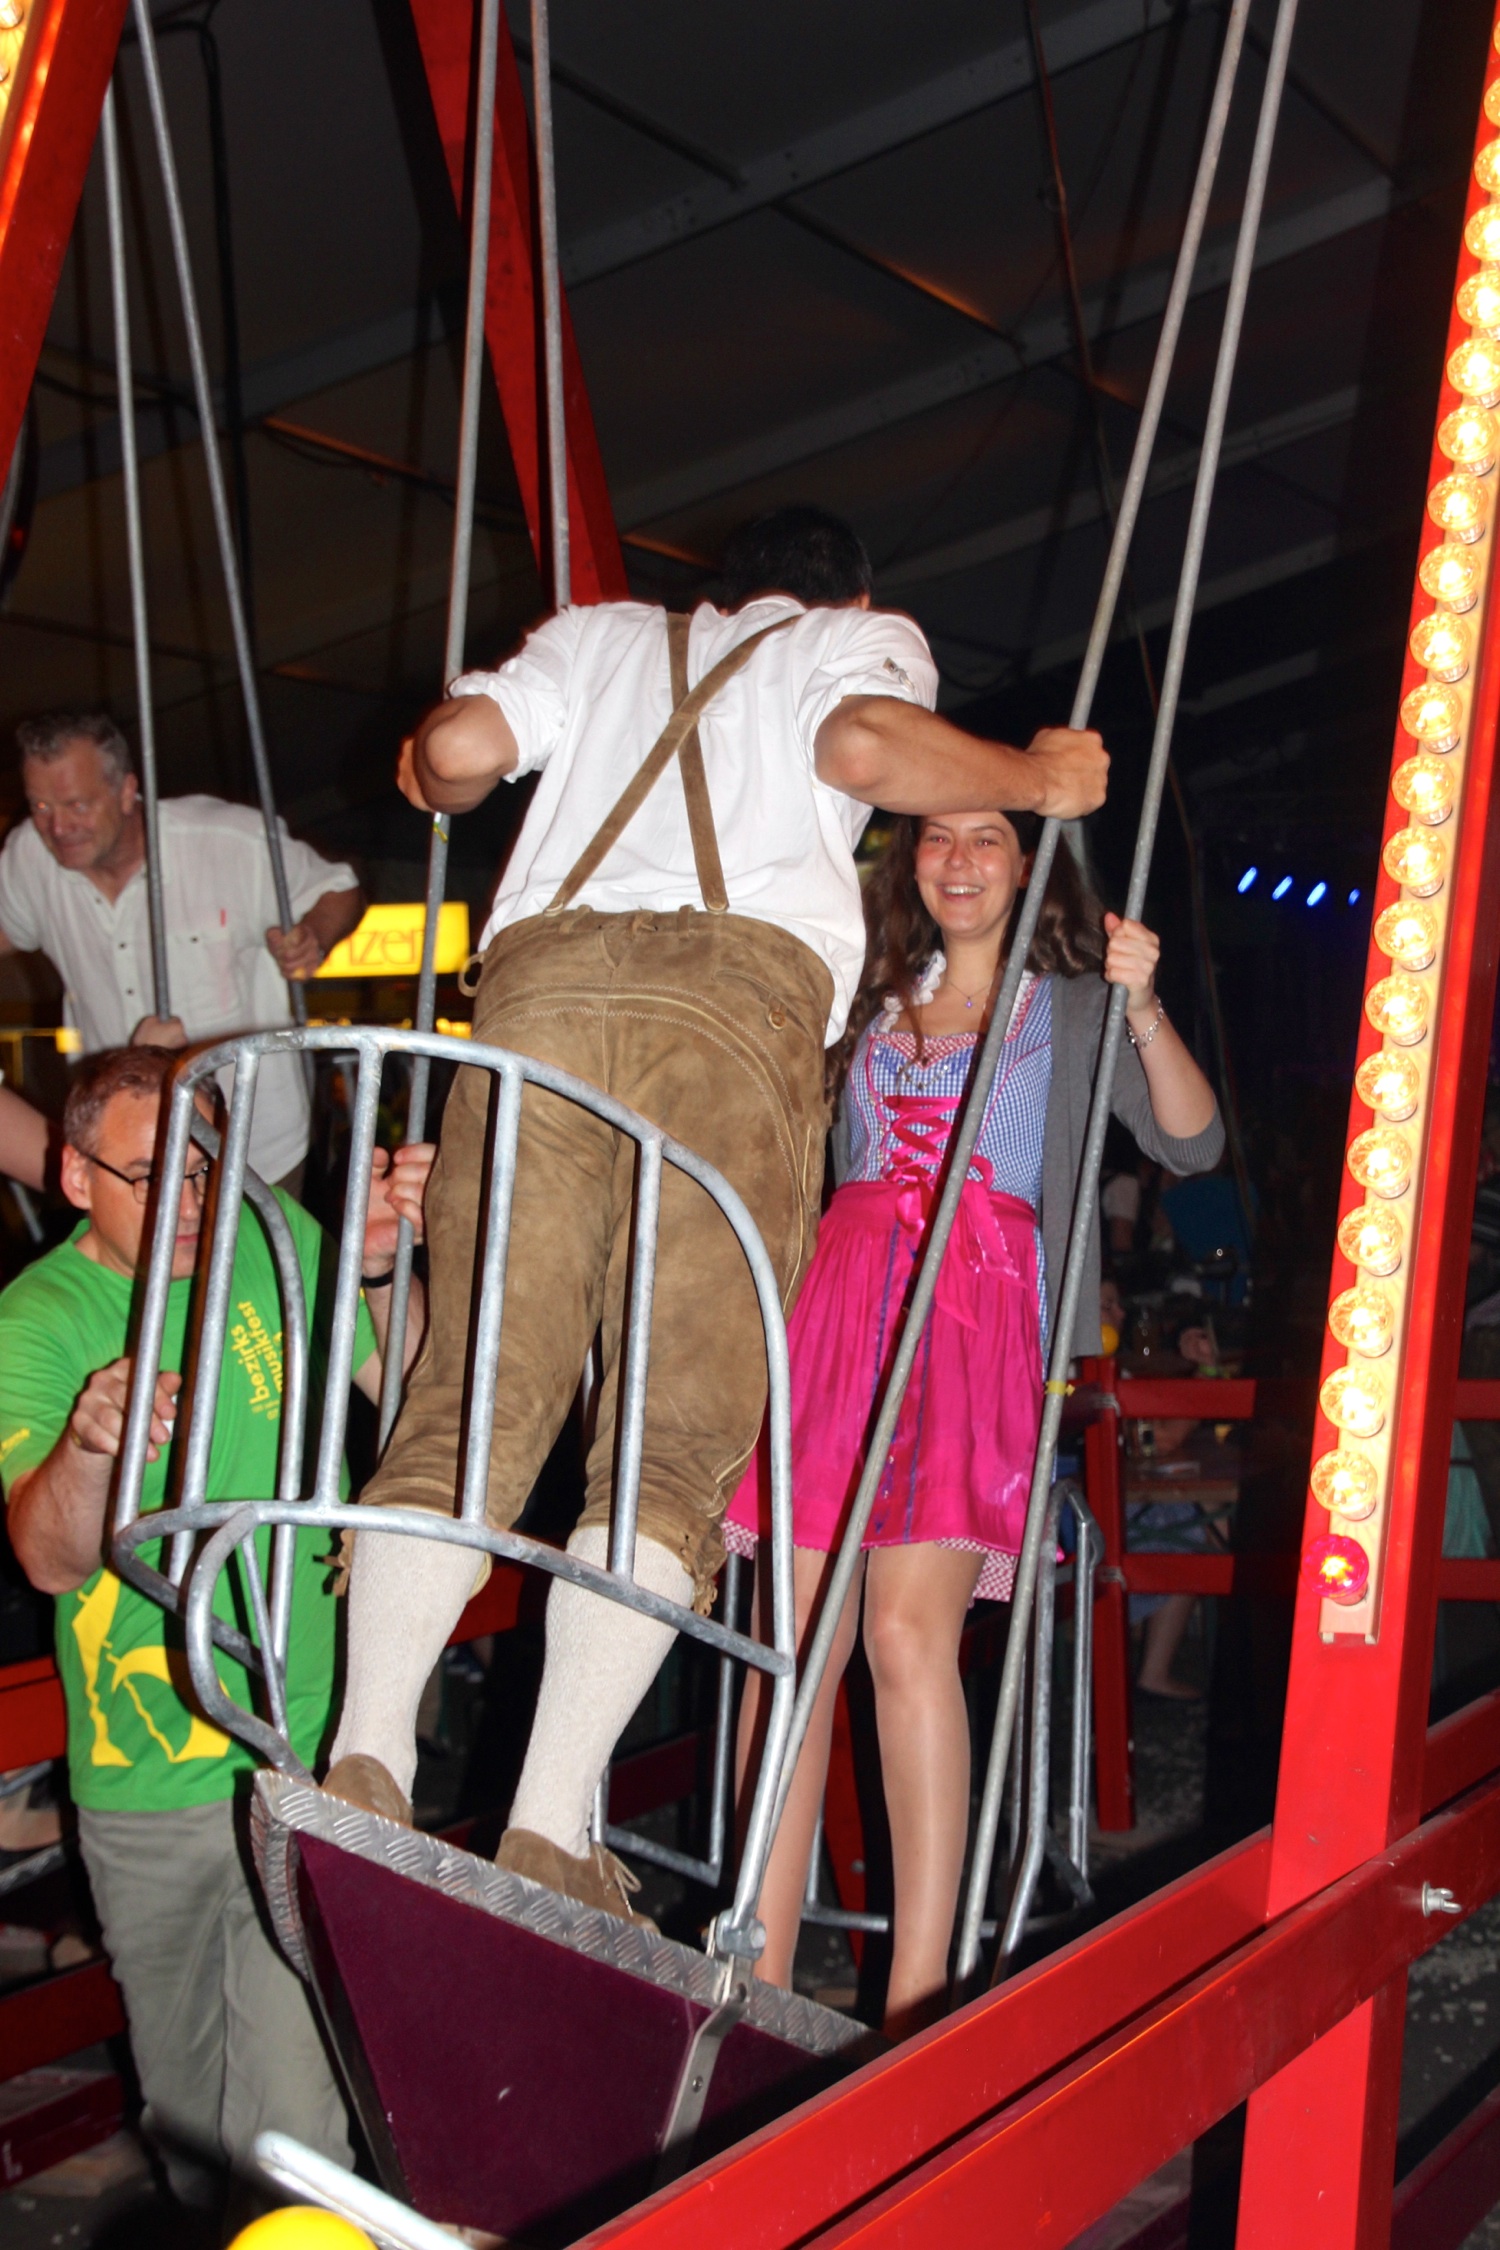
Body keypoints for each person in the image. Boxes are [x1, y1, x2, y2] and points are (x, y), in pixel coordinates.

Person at [320, 505, 1110, 1923]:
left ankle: (367, 1753)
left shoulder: (596, 635)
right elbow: (863, 748)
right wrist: (1037, 776)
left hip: (538, 1003)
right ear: (846, 597)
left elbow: (458, 754)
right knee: (668, 1438)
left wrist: (434, 765)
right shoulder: (852, 641)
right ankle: (548, 1824)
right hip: (730, 1021)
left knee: (477, 1387)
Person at [726, 806, 1222, 2031]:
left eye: (987, 837)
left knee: (907, 1639)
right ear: (909, 861)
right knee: (792, 1652)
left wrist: (1145, 1002)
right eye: (936, 836)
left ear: (1029, 865)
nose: (958, 860)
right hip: (839, 1309)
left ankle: (917, 1999)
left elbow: (1194, 1142)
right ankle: (752, 1974)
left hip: (976, 1318)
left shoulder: (1073, 1008)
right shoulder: (861, 992)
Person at [0, 1044, 433, 2206]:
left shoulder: (272, 1235)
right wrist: (90, 1445)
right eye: (152, 1176)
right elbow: (46, 1558)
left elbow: (409, 1391)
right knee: (191, 2134)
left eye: (204, 1167)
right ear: (75, 1177)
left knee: (295, 2146)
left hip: (304, 1752)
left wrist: (382, 1270)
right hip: (145, 1787)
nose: (191, 1201)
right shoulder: (35, 1321)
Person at [0, 712, 366, 1193]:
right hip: (127, 1156)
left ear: (127, 791)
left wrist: (314, 935)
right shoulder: (30, 857)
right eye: (40, 805)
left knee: (257, 1245)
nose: (58, 826)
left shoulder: (227, 843)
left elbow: (338, 888)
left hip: (253, 1148)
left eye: (77, 805)